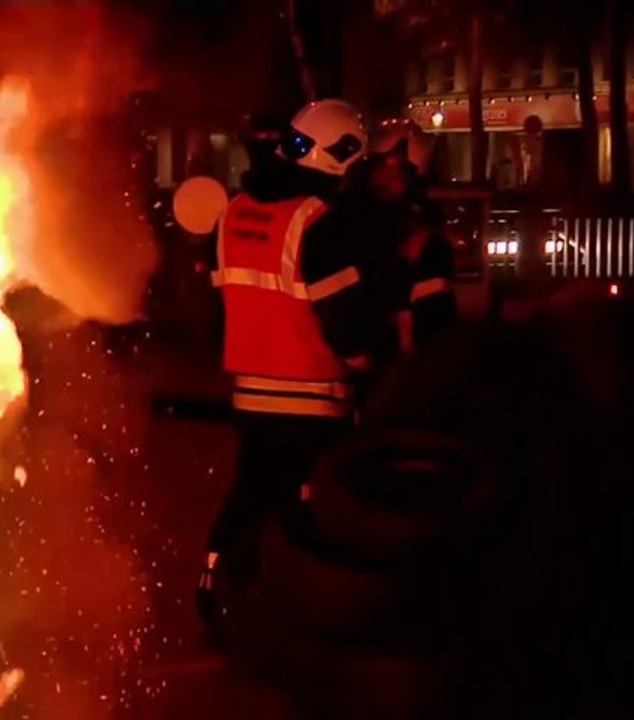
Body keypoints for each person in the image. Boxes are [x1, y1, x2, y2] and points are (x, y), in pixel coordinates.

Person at [197, 99, 382, 629]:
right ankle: (289, 612)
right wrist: (369, 362)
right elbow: (346, 325)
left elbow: (221, 302)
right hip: (313, 399)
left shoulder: (232, 212)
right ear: (341, 157)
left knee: (249, 494)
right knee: (306, 509)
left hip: (250, 395)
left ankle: (214, 584)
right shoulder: (318, 223)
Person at [365, 118, 458, 357]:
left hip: (400, 372)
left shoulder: (424, 241)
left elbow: (432, 325)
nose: (373, 175)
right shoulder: (373, 224)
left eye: (379, 164)